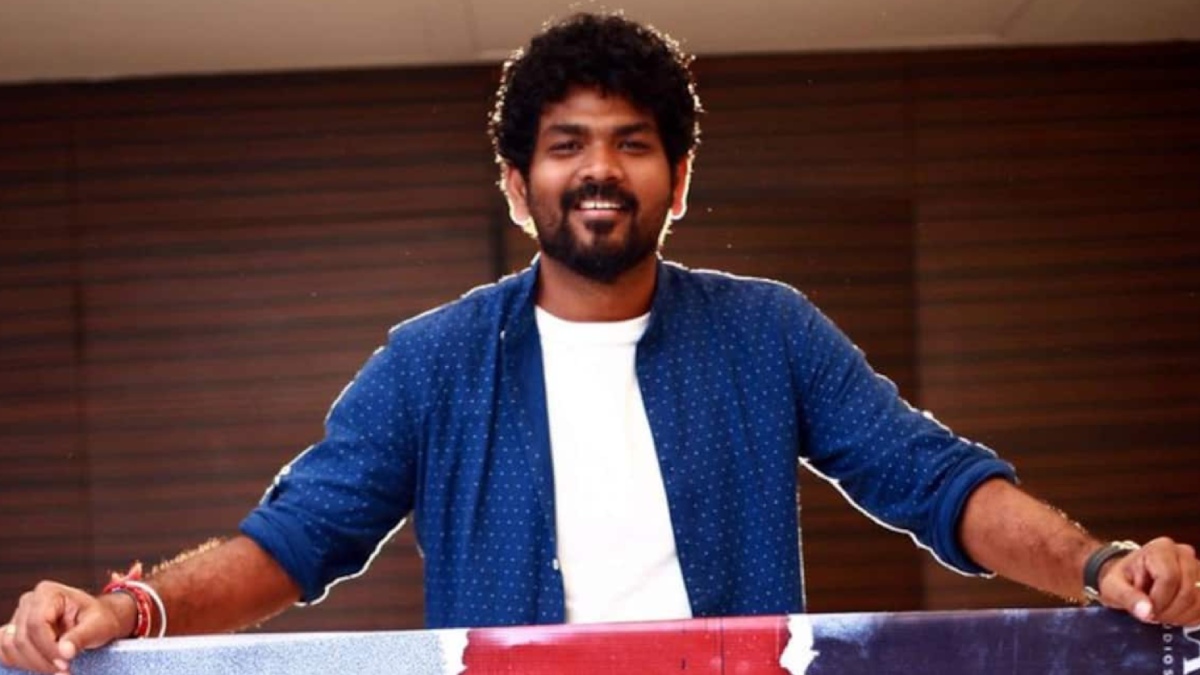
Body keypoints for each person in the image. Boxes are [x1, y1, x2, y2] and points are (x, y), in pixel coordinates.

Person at [3, 11, 1198, 675]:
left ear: (678, 181)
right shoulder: (432, 362)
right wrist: (132, 610)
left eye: (632, 143)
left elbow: (932, 480)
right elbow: (292, 540)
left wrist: (1101, 566)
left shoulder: (768, 331)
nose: (599, 170)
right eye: (566, 144)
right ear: (517, 186)